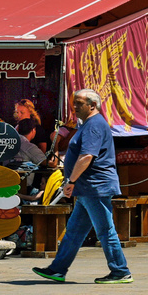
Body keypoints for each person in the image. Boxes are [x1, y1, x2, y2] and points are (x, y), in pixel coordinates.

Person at [33, 88, 130, 284]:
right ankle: (57, 269)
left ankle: (120, 271)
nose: (74, 107)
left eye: (79, 103)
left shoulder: (94, 125)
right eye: (74, 102)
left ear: (92, 106)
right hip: (87, 188)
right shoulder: (87, 125)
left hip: (95, 186)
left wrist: (71, 181)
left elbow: (87, 156)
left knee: (105, 230)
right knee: (74, 231)